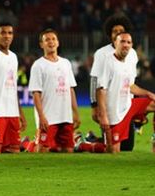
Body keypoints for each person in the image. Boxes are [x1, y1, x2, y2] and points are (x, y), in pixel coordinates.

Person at [96, 32, 155, 153]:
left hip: (128, 106)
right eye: (122, 41)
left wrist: (147, 93)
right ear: (115, 43)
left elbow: (130, 86)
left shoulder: (127, 64)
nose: (126, 45)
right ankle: (86, 144)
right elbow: (100, 90)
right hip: (114, 113)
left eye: (128, 42)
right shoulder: (107, 62)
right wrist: (103, 115)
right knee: (113, 150)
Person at [89, 13, 138, 151]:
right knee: (112, 147)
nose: (118, 33)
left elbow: (131, 81)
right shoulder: (102, 53)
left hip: (127, 104)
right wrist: (94, 106)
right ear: (110, 34)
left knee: (128, 147)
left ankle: (91, 140)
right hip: (109, 105)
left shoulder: (132, 54)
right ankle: (86, 144)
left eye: (121, 31)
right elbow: (94, 80)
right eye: (114, 31)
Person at [29, 29, 80, 153]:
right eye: (47, 40)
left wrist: (76, 113)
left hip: (65, 116)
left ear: (58, 42)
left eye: (53, 39)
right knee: (43, 149)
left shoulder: (66, 63)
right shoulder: (38, 65)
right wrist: (41, 117)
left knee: (68, 150)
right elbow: (36, 93)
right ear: (42, 44)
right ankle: (28, 145)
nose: (51, 42)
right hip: (48, 117)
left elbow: (70, 89)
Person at [0, 22, 27, 153]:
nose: (7, 36)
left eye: (10, 33)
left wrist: (20, 113)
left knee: (14, 150)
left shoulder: (14, 57)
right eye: (3, 33)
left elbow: (14, 87)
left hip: (12, 113)